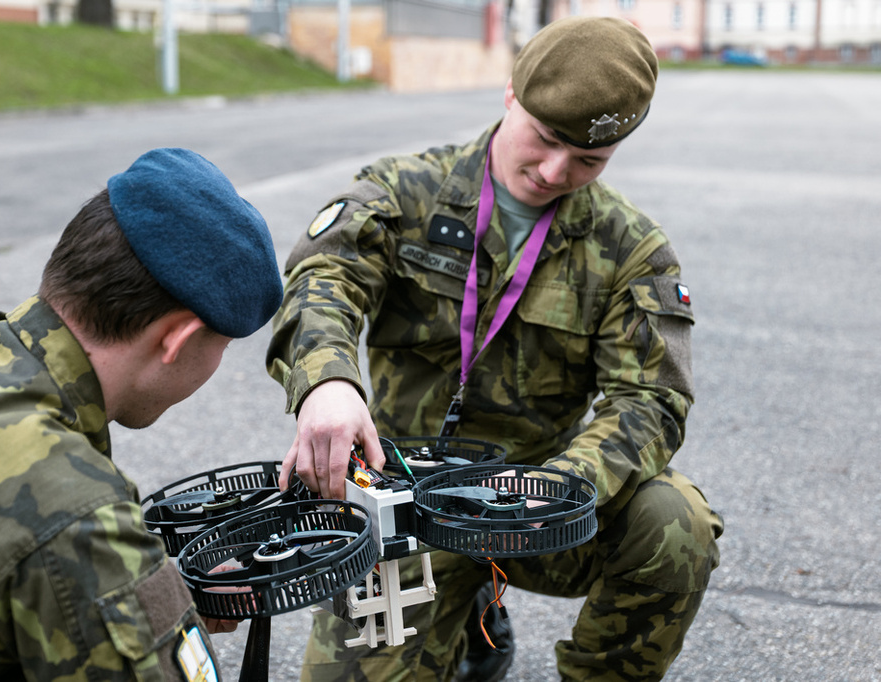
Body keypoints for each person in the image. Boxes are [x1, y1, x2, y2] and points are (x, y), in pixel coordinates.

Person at [266, 16, 724, 682]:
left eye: (588, 161)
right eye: (545, 138)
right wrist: (327, 384)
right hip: (406, 500)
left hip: (541, 505)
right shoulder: (405, 190)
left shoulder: (630, 248)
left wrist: (557, 489)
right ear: (512, 94)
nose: (555, 171)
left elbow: (650, 398)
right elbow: (322, 277)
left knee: (674, 523)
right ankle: (463, 609)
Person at [0, 148, 283, 681]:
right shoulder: (79, 519)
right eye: (223, 345)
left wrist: (155, 602)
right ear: (178, 338)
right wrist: (128, 590)